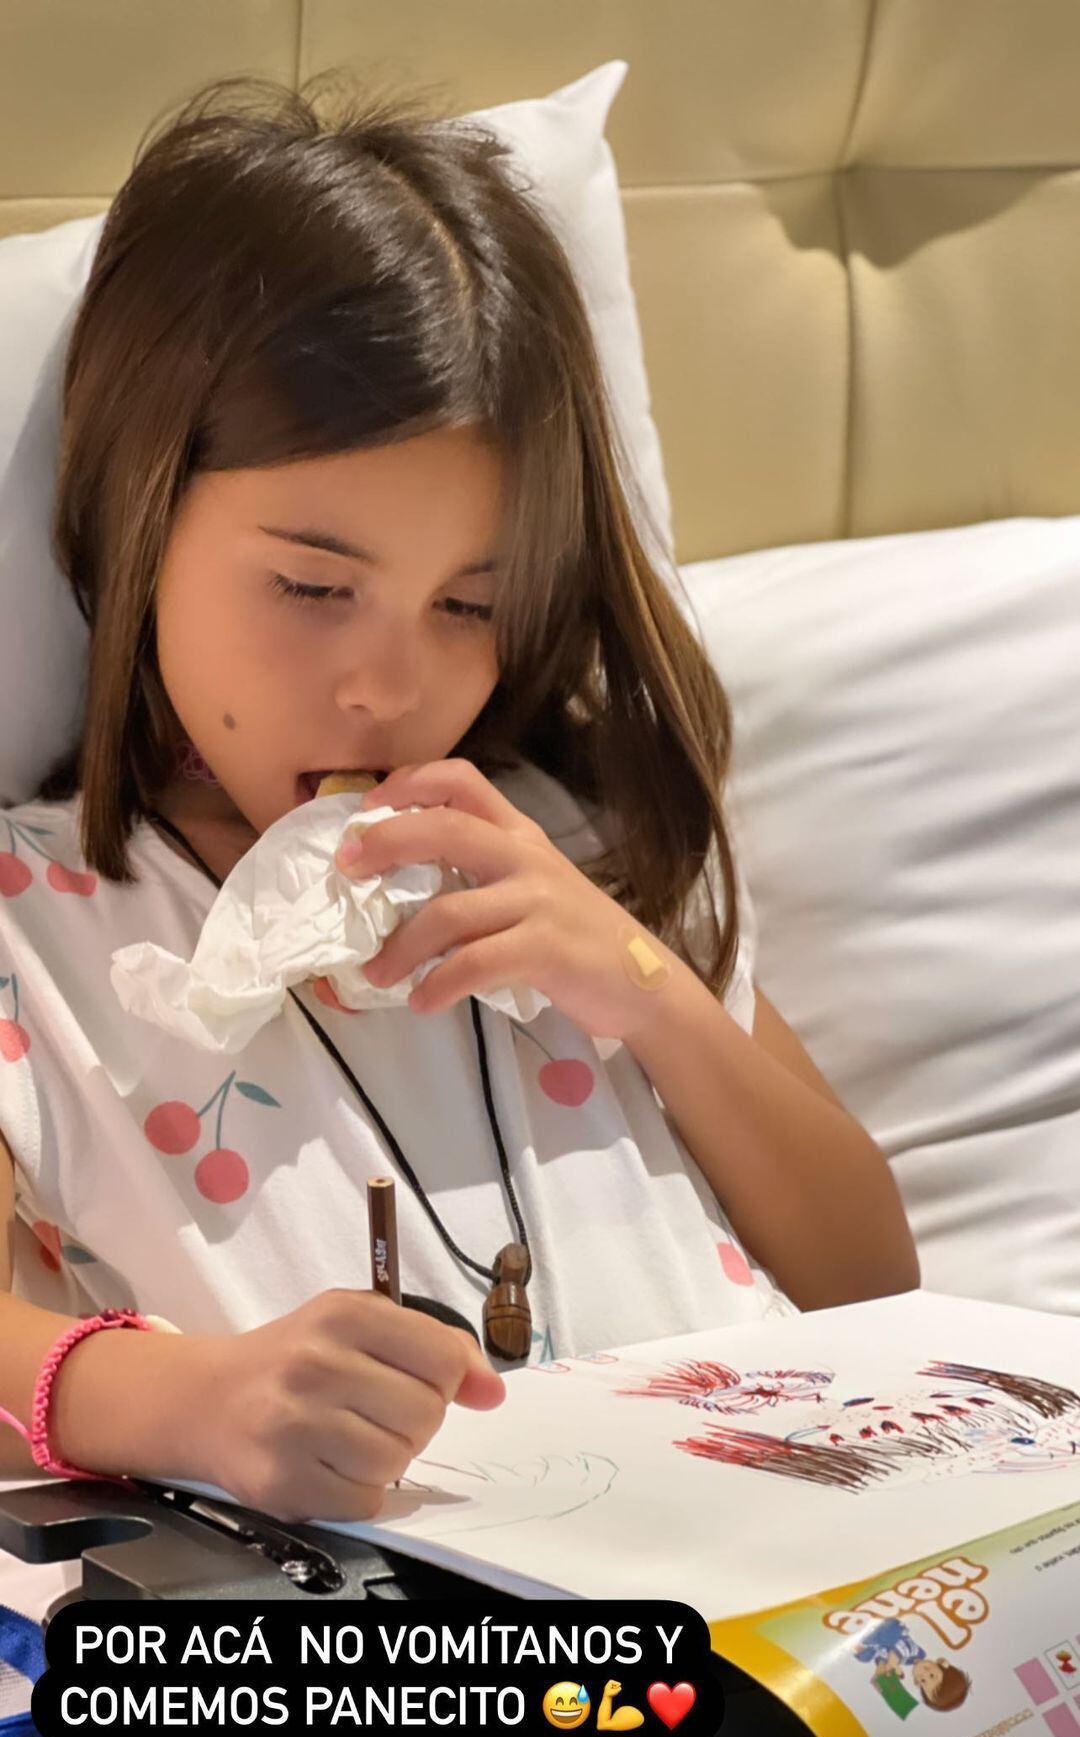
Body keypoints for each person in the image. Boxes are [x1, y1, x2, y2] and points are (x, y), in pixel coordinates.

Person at [0, 74, 919, 1527]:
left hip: (786, 1572)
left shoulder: (570, 841)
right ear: (135, 515)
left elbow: (872, 1280)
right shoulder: (33, 928)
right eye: (311, 586)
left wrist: (644, 988)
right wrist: (192, 1400)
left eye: (469, 604)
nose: (390, 685)